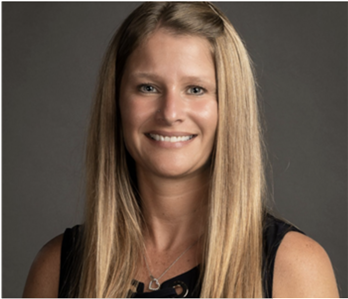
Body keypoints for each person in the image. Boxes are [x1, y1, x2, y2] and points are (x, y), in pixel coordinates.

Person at [23, 2, 339, 298]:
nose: (170, 112)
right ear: (116, 102)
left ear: (229, 106)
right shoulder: (57, 268)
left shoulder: (295, 267)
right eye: (148, 87)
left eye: (195, 89)